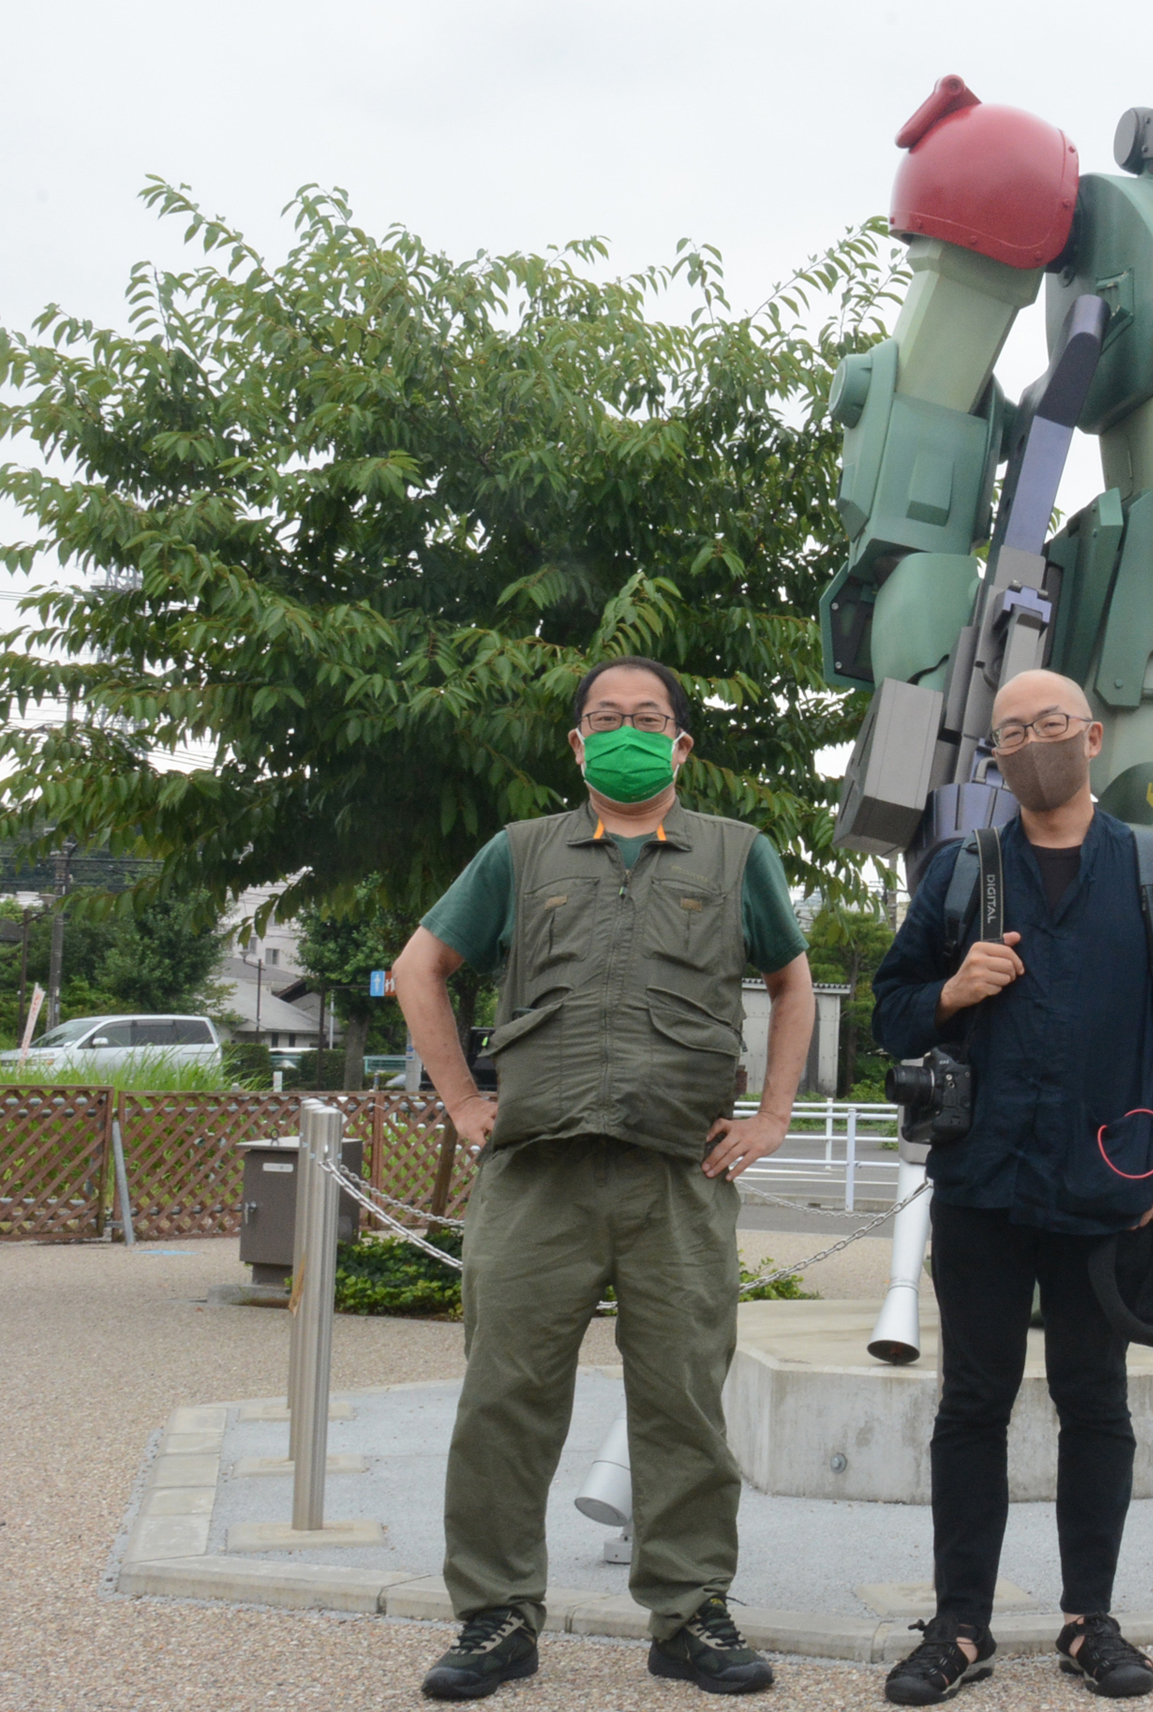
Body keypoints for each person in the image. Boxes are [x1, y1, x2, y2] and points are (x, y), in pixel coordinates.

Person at [392, 655, 815, 1700]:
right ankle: (495, 1619)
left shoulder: (735, 853)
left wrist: (770, 1115)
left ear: (679, 745)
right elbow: (419, 970)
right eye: (604, 717)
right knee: (505, 1398)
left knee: (683, 1404)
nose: (626, 730)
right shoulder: (520, 854)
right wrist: (460, 1102)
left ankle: (689, 1616)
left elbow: (791, 979)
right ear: (579, 745)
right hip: (537, 1173)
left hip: (679, 1172)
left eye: (648, 717)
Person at [869, 669, 1153, 1704]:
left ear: (1093, 736)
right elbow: (891, 1013)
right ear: (995, 758)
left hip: (1105, 1190)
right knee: (971, 1406)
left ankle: (1089, 1621)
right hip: (983, 1187)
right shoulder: (961, 870)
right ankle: (960, 1625)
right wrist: (951, 989)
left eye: (1049, 725)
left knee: (1095, 1404)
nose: (1032, 743)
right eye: (1011, 732)